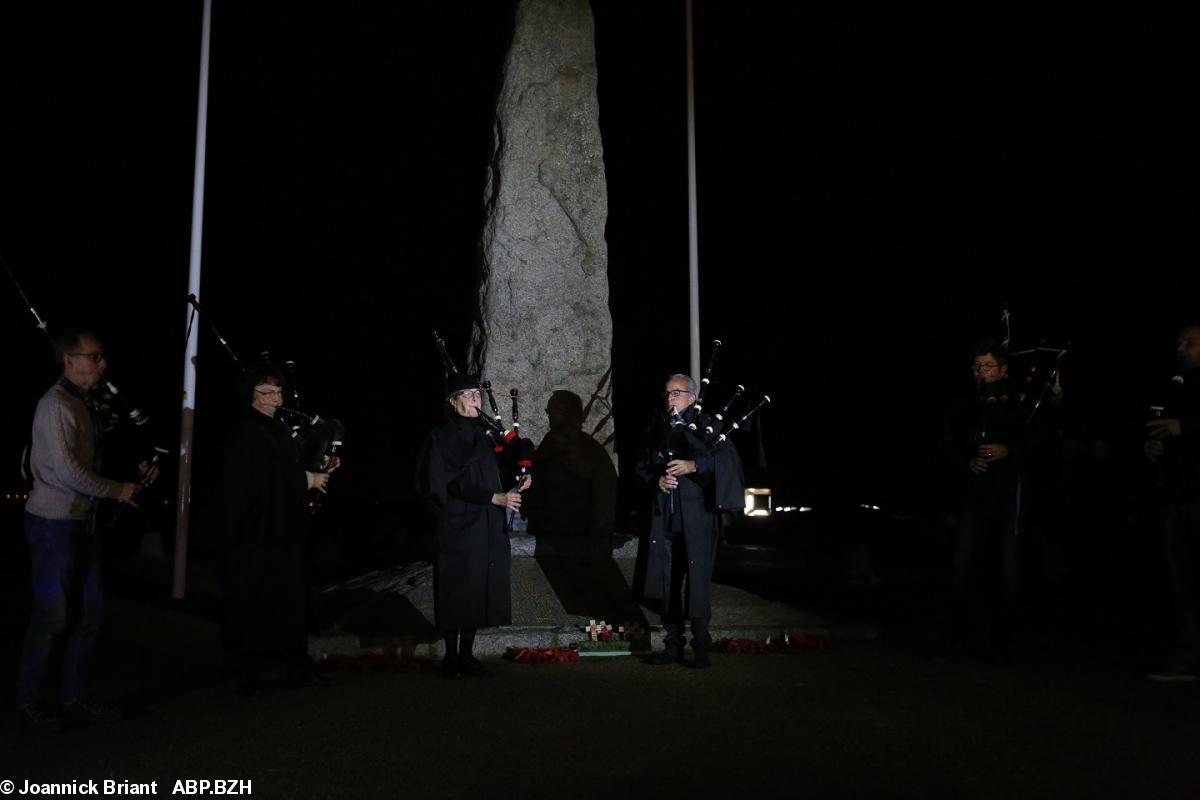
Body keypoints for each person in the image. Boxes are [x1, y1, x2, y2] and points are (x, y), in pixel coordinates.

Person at [16, 329, 149, 732]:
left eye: (102, 356)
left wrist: (136, 466)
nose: (102, 363)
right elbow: (70, 472)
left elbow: (95, 455)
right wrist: (119, 490)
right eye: (95, 356)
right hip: (52, 525)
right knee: (53, 614)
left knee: (91, 612)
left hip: (83, 521)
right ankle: (29, 701)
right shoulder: (54, 404)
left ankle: (75, 696)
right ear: (69, 360)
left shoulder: (83, 402)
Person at [221, 363, 335, 695]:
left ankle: (296, 665)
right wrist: (306, 479)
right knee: (257, 600)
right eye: (267, 391)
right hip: (258, 531)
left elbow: (287, 466)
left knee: (291, 597)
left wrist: (319, 467)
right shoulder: (246, 430)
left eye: (278, 390)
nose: (275, 396)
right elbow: (254, 479)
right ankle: (250, 672)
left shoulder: (278, 428)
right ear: (252, 395)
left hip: (285, 527)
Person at [415, 374, 529, 678]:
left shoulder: (485, 433)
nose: (475, 399)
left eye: (477, 394)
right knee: (457, 588)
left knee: (477, 586)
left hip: (486, 521)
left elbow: (503, 465)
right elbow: (448, 481)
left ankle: (467, 654)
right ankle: (451, 657)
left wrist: (521, 474)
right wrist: (492, 497)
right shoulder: (442, 436)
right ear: (453, 402)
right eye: (466, 394)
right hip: (457, 522)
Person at [636, 374, 744, 669]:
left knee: (697, 580)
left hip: (698, 518)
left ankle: (701, 646)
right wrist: (655, 479)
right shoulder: (657, 427)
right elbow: (641, 467)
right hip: (666, 517)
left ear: (692, 397)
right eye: (667, 393)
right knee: (668, 580)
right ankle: (672, 645)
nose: (670, 398)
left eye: (676, 393)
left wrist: (694, 465)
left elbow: (727, 462)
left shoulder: (709, 426)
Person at [941, 340, 1029, 661]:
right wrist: (967, 460)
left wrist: (1010, 451)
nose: (982, 372)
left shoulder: (1019, 401)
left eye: (988, 366)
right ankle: (965, 638)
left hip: (1008, 496)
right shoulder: (963, 403)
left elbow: (1038, 441)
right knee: (963, 566)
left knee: (1007, 570)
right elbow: (949, 442)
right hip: (974, 498)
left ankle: (1005, 643)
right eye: (977, 366)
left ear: (1003, 369)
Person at [1144, 323, 1200, 681]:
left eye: (1191, 342)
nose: (1182, 347)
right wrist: (1149, 447)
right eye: (1180, 341)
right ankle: (1190, 657)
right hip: (1175, 497)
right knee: (1183, 582)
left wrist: (1188, 428)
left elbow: (1185, 428)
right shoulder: (1175, 384)